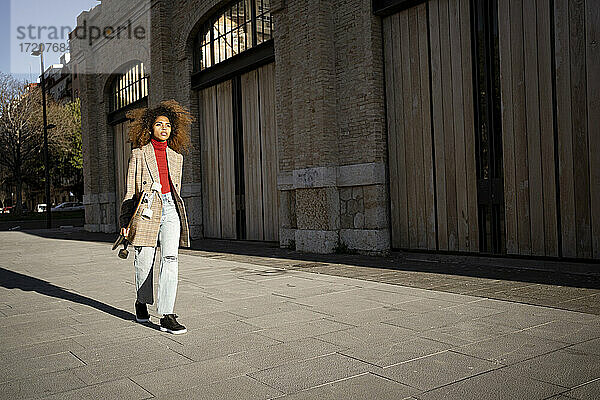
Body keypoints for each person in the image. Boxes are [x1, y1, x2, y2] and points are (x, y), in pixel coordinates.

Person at [119, 100, 193, 334]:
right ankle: (142, 302)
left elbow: (175, 189)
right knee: (145, 260)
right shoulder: (139, 154)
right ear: (150, 127)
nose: (164, 128)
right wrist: (125, 221)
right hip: (147, 210)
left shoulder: (176, 157)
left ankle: (167, 314)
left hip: (170, 207)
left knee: (170, 259)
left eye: (168, 125)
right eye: (159, 124)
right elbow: (131, 190)